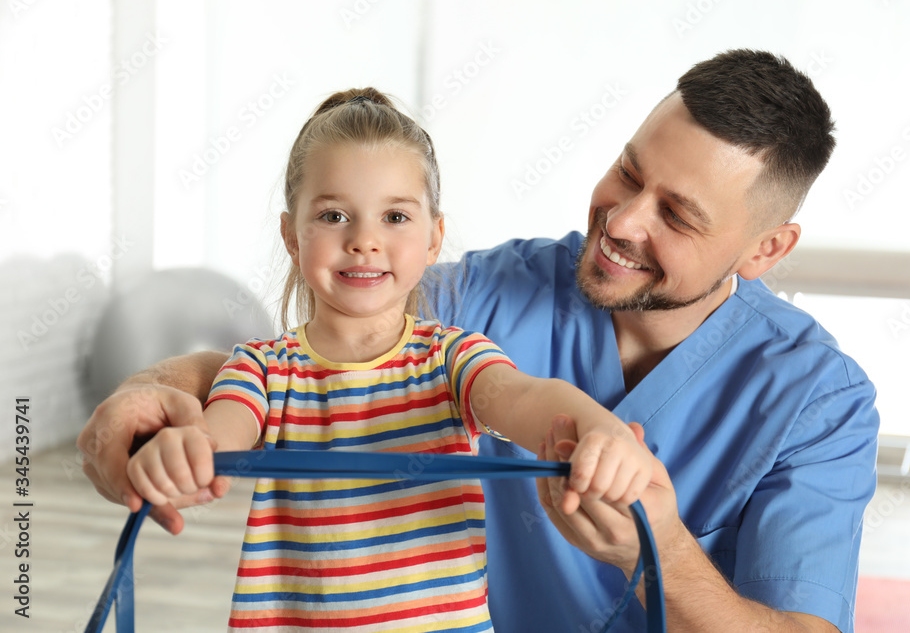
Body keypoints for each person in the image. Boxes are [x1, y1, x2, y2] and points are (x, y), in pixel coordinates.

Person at [79, 49, 879, 633]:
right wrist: (150, 392)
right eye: (628, 173)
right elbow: (325, 359)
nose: (623, 221)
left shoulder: (819, 400)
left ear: (764, 250)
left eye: (677, 214)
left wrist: (659, 549)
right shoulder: (489, 294)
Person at [122, 88, 651, 632]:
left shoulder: (453, 358)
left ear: (433, 238)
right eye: (333, 215)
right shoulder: (260, 369)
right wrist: (187, 454)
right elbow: (218, 433)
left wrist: (599, 431)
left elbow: (527, 399)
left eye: (395, 216)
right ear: (291, 235)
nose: (364, 240)